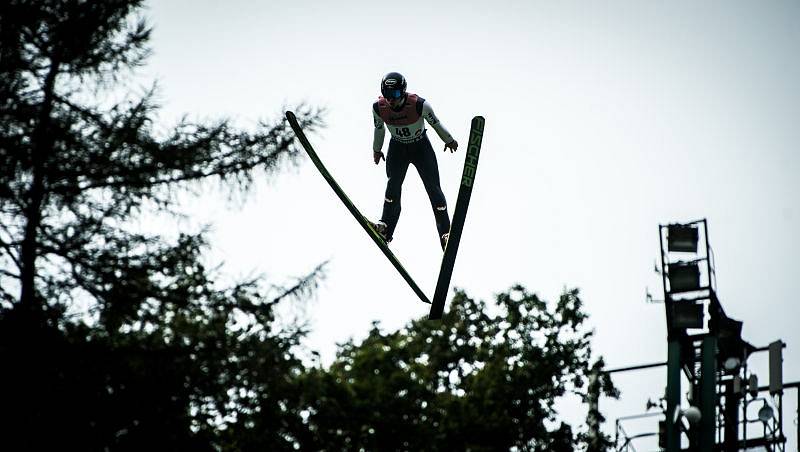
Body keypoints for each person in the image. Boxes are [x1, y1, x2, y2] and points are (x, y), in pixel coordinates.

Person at [369, 72, 458, 251]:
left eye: (394, 95)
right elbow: (379, 130)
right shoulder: (379, 108)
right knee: (392, 187)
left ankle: (445, 234)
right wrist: (377, 150)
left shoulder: (419, 105)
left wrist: (448, 139)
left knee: (434, 189)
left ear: (403, 92)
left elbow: (436, 123)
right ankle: (385, 228)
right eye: (387, 95)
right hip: (397, 149)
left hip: (421, 148)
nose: (390, 100)